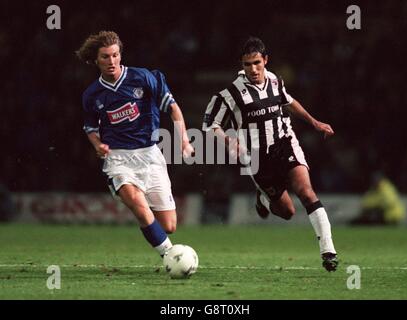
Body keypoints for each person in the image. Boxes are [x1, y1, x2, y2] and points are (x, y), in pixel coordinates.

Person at [202, 37, 338, 271]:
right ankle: (263, 198)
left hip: (285, 144)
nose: (253, 69)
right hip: (257, 158)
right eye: (247, 64)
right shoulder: (230, 94)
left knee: (306, 193)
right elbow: (210, 124)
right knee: (287, 211)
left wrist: (314, 122)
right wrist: (227, 140)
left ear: (265, 60)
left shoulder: (275, 80)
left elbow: (289, 101)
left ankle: (328, 251)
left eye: (257, 63)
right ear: (242, 65)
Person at [76, 31, 193, 258]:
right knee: (136, 202)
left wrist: (184, 141)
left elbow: (173, 108)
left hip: (150, 156)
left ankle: (159, 236)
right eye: (105, 57)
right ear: (96, 60)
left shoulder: (143, 78)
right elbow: (90, 128)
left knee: (168, 226)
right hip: (118, 159)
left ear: (121, 55)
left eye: (115, 55)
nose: (112, 61)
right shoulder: (92, 95)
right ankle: (170, 256)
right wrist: (97, 145)